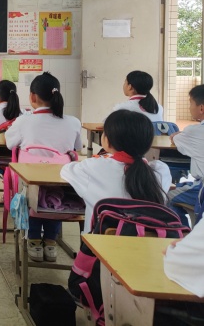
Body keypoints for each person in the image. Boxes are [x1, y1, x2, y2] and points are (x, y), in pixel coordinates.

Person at [5, 72, 82, 263]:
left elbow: (9, 143)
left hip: (29, 183)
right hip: (62, 185)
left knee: (33, 195)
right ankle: (50, 241)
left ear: (32, 96)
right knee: (53, 197)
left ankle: (33, 240)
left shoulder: (24, 121)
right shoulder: (73, 122)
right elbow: (77, 147)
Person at [61, 109, 171, 232]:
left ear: (107, 141)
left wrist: (104, 158)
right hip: (148, 242)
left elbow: (65, 170)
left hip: (99, 242)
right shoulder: (160, 172)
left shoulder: (92, 167)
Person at [167, 84, 204, 224]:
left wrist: (177, 135)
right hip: (198, 186)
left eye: (191, 103)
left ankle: (180, 232)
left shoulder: (193, 131)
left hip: (201, 189)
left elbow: (175, 138)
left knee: (167, 196)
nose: (189, 107)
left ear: (201, 108)